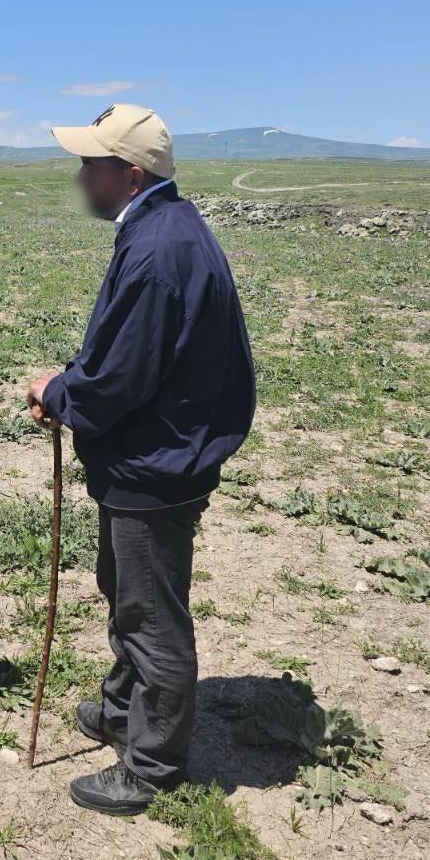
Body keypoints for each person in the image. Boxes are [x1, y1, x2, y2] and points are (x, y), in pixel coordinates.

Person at [26, 103, 256, 816]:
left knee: (151, 616)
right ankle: (123, 709)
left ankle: (151, 766)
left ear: (129, 173)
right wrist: (70, 386)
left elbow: (122, 375)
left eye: (90, 164)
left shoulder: (158, 249)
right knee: (125, 592)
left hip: (156, 462)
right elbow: (129, 354)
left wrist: (58, 391)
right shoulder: (160, 229)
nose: (79, 176)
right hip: (154, 451)